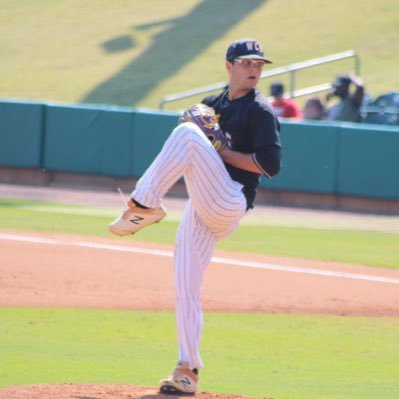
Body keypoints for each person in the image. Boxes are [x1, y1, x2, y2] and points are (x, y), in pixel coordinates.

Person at [108, 38, 282, 394]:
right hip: (203, 201)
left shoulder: (260, 111)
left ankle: (144, 205)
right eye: (247, 62)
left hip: (230, 200)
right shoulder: (213, 105)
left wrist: (221, 149)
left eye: (259, 64)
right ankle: (187, 370)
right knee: (185, 284)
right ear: (229, 65)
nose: (254, 69)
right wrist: (210, 143)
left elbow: (270, 166)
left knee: (188, 133)